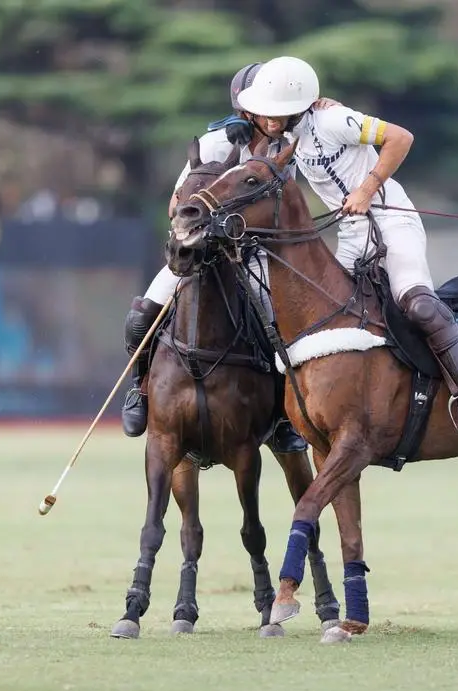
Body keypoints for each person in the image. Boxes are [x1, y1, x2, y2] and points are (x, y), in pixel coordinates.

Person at [234, 56, 458, 433]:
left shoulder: (334, 120)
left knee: (416, 303)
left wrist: (367, 190)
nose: (270, 120)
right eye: (265, 112)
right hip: (352, 233)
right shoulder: (287, 139)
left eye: (278, 112)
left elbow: (401, 138)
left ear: (298, 106)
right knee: (329, 314)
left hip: (392, 219)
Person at [119, 63, 338, 450]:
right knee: (141, 316)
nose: (275, 116)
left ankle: (285, 417)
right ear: (246, 109)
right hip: (200, 256)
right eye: (266, 107)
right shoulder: (217, 142)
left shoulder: (291, 141)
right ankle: (140, 389)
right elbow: (176, 205)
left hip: (254, 253)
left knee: (281, 326)